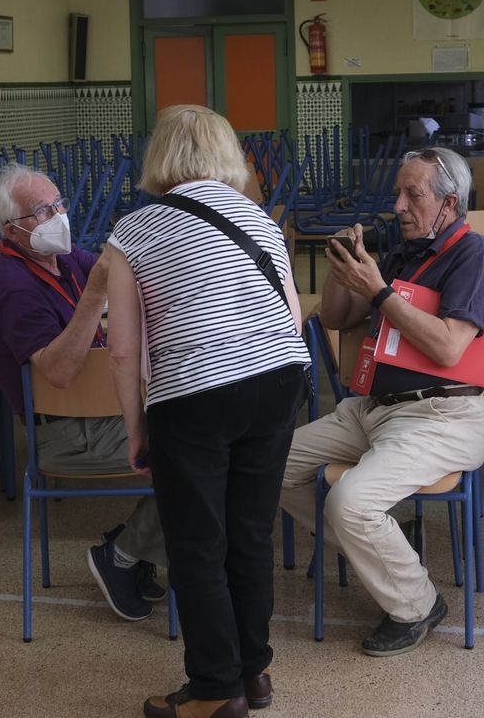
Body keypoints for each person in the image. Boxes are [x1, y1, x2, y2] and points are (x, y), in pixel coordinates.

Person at [105, 105, 310, 718]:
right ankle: (255, 671)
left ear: (160, 157)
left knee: (197, 544)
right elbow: (293, 314)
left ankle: (216, 689)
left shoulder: (133, 230)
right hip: (278, 380)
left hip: (195, 392)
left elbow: (123, 350)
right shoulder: (262, 220)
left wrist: (137, 429)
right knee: (250, 533)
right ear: (227, 154)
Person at [279, 146, 484, 657]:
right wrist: (344, 270)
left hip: (446, 414)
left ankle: (417, 604)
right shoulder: (405, 253)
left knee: (349, 502)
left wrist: (380, 292)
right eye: (398, 193)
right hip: (377, 409)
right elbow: (337, 318)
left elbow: (449, 347)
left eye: (413, 194)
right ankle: (387, 542)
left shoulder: (475, 256)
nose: (399, 205)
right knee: (271, 463)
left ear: (449, 203)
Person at [0, 163, 168, 623]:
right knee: (193, 454)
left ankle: (132, 548)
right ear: (12, 229)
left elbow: (122, 275)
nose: (58, 216)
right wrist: (96, 296)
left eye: (59, 204)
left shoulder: (64, 260)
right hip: (65, 434)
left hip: (103, 417)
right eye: (43, 211)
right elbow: (59, 372)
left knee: (201, 431)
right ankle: (123, 555)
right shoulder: (11, 285)